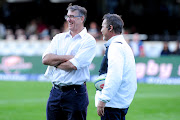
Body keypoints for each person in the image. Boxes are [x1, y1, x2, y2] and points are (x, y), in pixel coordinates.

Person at [42, 4, 96, 120]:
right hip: (55, 92)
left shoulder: (88, 40)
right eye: (67, 16)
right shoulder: (58, 38)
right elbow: (45, 59)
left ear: (82, 18)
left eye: (72, 16)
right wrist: (66, 57)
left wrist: (55, 62)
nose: (68, 19)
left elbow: (72, 65)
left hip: (75, 94)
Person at [95, 13, 137, 120]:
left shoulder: (116, 47)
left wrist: (103, 99)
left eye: (102, 26)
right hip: (119, 104)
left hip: (112, 105)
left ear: (110, 28)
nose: (101, 30)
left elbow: (115, 75)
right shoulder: (123, 45)